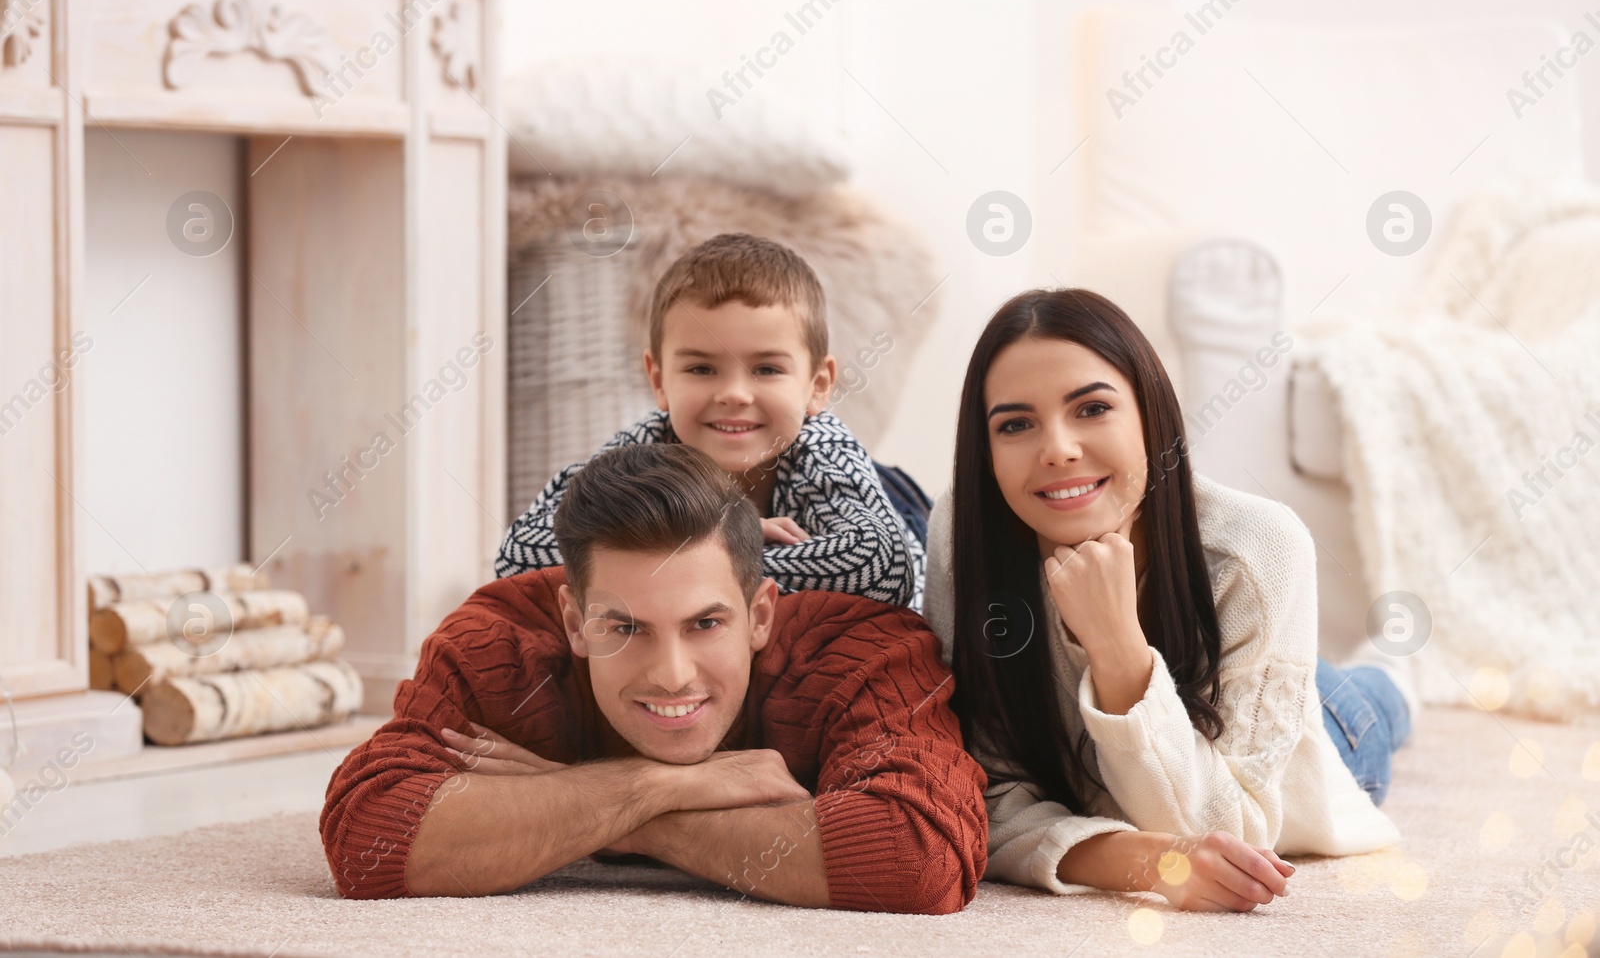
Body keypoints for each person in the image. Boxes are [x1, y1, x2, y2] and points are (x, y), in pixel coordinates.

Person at [322, 443, 986, 912]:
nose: (671, 676)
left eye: (705, 624)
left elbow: (924, 860)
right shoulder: (500, 642)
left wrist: (610, 816)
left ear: (760, 614)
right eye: (625, 627)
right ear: (575, 621)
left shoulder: (862, 647)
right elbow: (365, 837)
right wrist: (658, 786)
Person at [923, 288, 1410, 911]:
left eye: (1092, 409)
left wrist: (1116, 643)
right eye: (1016, 424)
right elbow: (980, 793)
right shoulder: (962, 532)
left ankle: (1394, 674)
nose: (1058, 449)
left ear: (1151, 417)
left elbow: (1226, 837)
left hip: (1319, 737)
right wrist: (1134, 861)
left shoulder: (1258, 546)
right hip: (1207, 698)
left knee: (1371, 704)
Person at [496, 233, 927, 609]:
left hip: (886, 511)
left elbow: (883, 569)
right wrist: (724, 537)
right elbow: (516, 558)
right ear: (659, 381)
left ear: (817, 385)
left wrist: (677, 565)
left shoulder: (825, 448)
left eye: (766, 369)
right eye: (702, 369)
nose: (734, 394)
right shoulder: (639, 453)